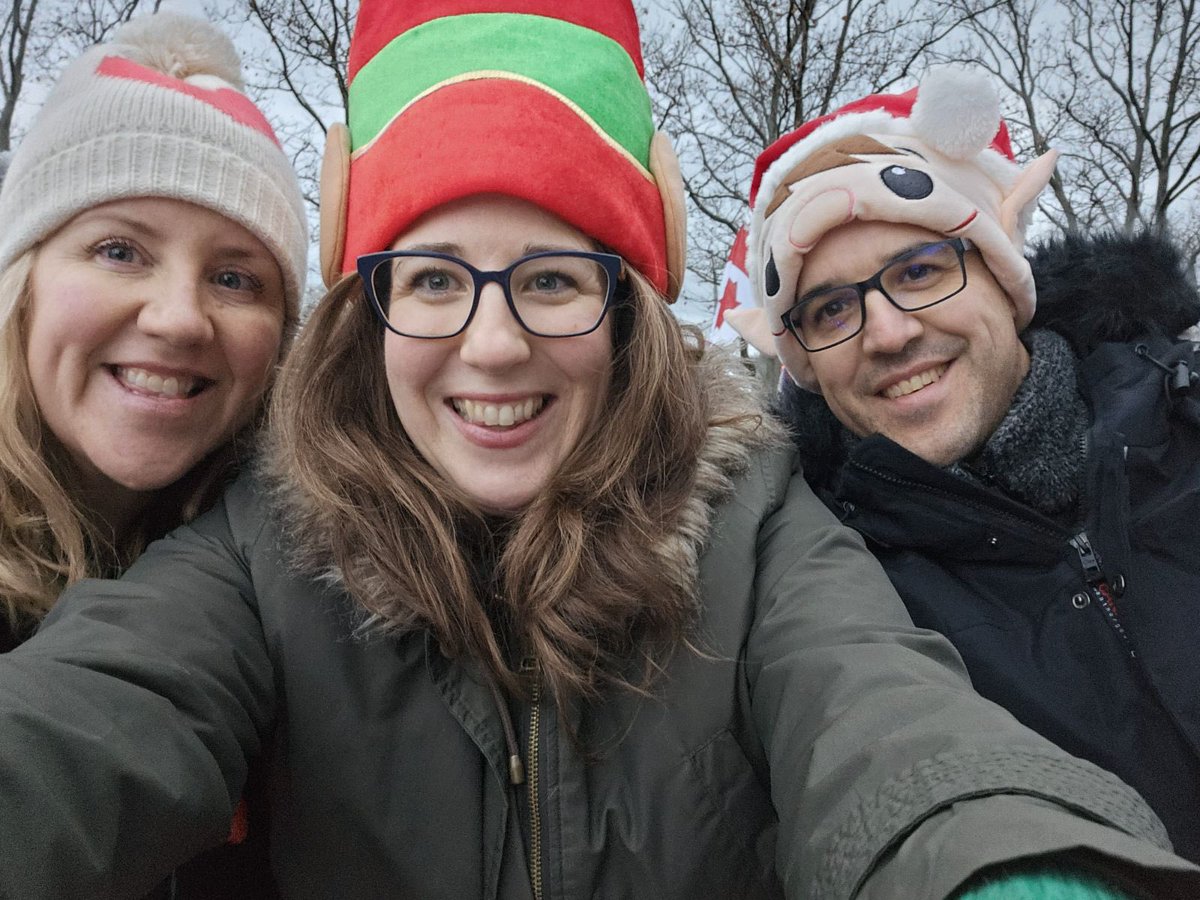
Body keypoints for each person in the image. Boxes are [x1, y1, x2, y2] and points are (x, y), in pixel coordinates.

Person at [0, 4, 1197, 897]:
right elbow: (98, 716)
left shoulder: (751, 523)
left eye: (554, 280)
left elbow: (884, 718)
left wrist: (1013, 865)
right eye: (431, 280)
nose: (494, 343)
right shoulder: (261, 546)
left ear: (628, 307)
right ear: (368, 311)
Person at [728, 67, 1200, 864]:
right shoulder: (831, 601)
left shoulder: (1185, 412)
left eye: (918, 270)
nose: (887, 333)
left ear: (1002, 278)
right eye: (832, 309)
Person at [0, 10, 308, 895]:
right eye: (119, 249)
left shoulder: (290, 569)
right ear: (25, 283)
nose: (179, 317)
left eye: (234, 277)